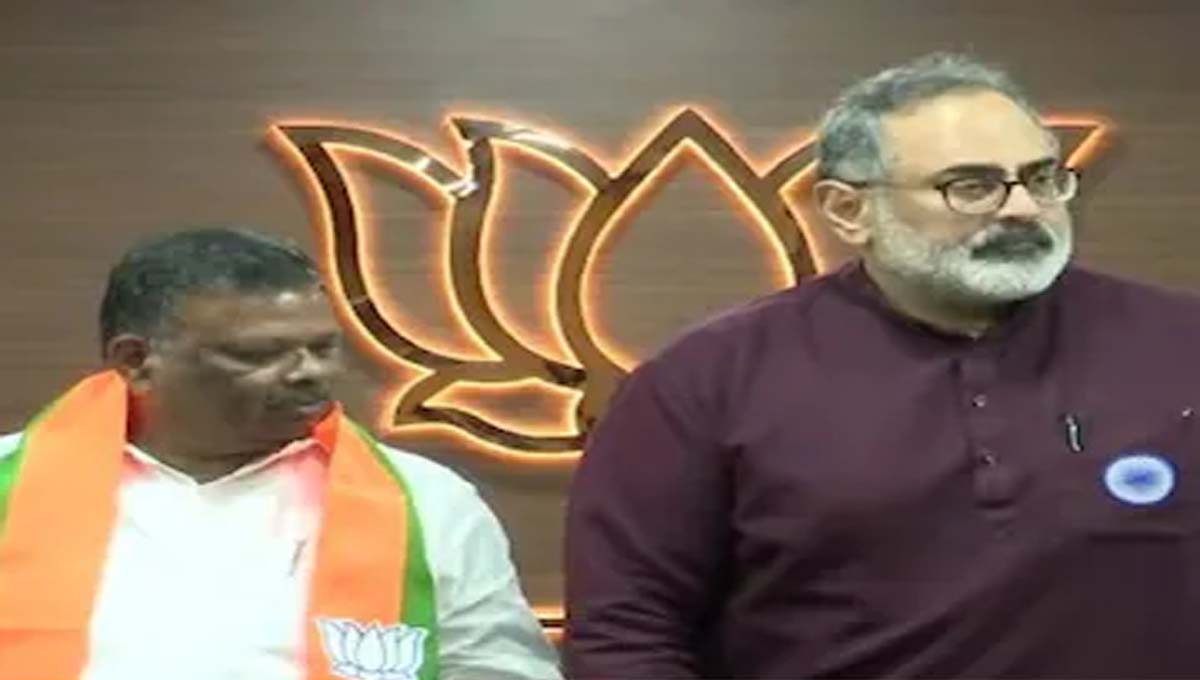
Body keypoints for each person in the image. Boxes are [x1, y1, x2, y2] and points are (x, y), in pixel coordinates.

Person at [564, 52, 1200, 678]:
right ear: (848, 210)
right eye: (971, 186)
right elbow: (625, 633)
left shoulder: (1180, 341)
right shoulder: (705, 382)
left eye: (1041, 178)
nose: (1022, 209)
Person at [0, 227, 561, 680]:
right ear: (135, 361)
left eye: (322, 347)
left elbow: (499, 668)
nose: (308, 372)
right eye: (260, 354)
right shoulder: (11, 482)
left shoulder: (427, 499)